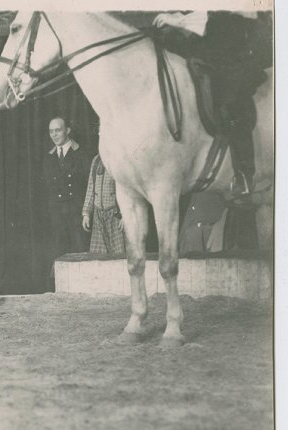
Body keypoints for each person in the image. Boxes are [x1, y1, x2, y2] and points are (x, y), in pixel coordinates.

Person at [153, 11, 273, 202]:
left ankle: (244, 175)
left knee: (232, 99)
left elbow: (224, 13)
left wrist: (179, 20)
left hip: (238, 43)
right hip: (210, 43)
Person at [43, 116, 90, 259]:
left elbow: (89, 185)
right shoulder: (48, 158)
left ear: (67, 130)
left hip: (76, 213)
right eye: (51, 131)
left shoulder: (82, 153)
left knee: (80, 253)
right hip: (57, 215)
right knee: (59, 255)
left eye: (58, 130)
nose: (54, 135)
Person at [81, 154, 126, 255]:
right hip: (98, 217)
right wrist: (86, 214)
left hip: (116, 216)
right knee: (98, 256)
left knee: (119, 256)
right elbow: (91, 188)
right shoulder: (96, 160)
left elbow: (128, 191)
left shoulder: (122, 160)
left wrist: (125, 215)